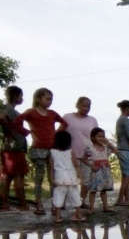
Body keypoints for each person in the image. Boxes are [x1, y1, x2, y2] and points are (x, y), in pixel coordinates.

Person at [15, 87, 68, 215]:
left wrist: (56, 133)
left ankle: (55, 204)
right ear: (39, 99)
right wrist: (28, 132)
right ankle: (39, 204)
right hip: (38, 148)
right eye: (47, 99)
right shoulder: (31, 112)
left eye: (51, 99)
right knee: (39, 178)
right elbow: (17, 122)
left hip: (52, 148)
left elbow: (64, 123)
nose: (49, 102)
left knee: (53, 178)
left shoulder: (52, 113)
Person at [63, 97, 98, 207]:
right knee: (66, 179)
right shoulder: (68, 117)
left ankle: (81, 201)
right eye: (84, 106)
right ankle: (61, 203)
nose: (86, 108)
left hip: (87, 154)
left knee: (86, 180)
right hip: (70, 152)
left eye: (88, 106)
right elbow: (61, 132)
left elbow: (96, 136)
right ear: (77, 105)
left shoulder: (92, 120)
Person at [0, 86, 30, 211]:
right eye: (20, 96)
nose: (22, 99)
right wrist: (11, 132)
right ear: (15, 96)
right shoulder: (8, 109)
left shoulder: (12, 111)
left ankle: (4, 203)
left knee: (7, 175)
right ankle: (22, 204)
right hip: (14, 147)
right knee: (17, 175)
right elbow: (1, 118)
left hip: (11, 146)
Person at [50, 130, 85, 223]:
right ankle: (79, 215)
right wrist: (81, 177)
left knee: (59, 195)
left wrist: (51, 178)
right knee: (75, 195)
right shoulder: (71, 152)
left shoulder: (52, 152)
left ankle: (58, 216)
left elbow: (52, 167)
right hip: (71, 178)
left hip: (59, 179)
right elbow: (76, 165)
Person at [82, 127, 118, 213]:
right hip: (96, 171)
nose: (101, 138)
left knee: (104, 190)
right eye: (99, 136)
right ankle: (91, 208)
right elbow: (84, 158)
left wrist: (108, 143)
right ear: (93, 137)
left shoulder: (106, 148)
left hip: (105, 171)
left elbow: (116, 151)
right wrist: (91, 166)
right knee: (93, 190)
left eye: (103, 136)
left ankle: (105, 207)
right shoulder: (90, 148)